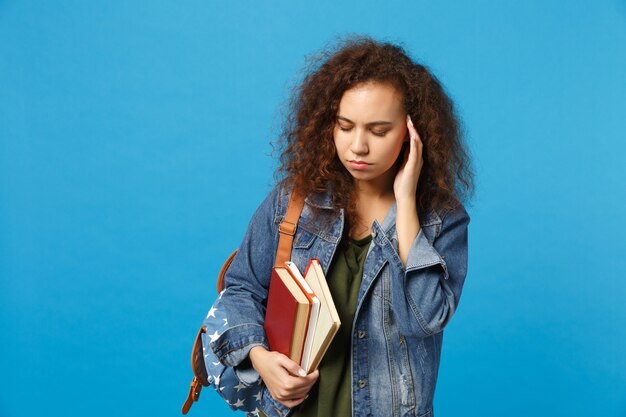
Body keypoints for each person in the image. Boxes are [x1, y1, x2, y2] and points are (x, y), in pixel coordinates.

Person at [203, 36, 474, 417]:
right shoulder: (292, 202)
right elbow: (242, 288)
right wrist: (260, 358)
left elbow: (423, 320)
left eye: (379, 131)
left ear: (414, 134)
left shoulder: (440, 219)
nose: (358, 146)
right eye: (345, 126)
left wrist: (407, 201)